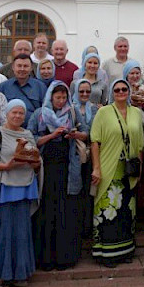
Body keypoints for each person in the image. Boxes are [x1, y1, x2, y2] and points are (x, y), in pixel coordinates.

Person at [0, 100, 43, 287]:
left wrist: (35, 163)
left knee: (21, 233)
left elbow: (36, 159)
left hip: (24, 187)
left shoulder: (28, 134)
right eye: (14, 112)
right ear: (7, 113)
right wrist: (6, 166)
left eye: (21, 113)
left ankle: (19, 273)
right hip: (5, 189)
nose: (17, 116)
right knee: (3, 233)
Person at [90, 78, 144, 267]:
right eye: (117, 90)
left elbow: (139, 144)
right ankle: (106, 253)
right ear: (112, 93)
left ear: (129, 91)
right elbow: (95, 140)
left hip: (128, 170)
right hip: (109, 167)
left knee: (126, 211)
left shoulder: (136, 113)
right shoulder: (103, 112)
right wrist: (96, 167)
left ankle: (125, 251)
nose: (121, 92)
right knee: (107, 209)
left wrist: (140, 168)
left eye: (124, 89)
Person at [31, 82, 85, 270]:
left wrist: (75, 135)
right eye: (57, 97)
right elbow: (31, 140)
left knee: (65, 212)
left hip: (67, 169)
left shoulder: (73, 112)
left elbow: (86, 134)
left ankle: (65, 257)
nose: (61, 101)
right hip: (46, 171)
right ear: (50, 97)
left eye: (64, 97)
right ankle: (45, 258)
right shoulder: (40, 114)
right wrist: (52, 135)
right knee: (46, 212)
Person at [71, 79, 98, 237]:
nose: (85, 94)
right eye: (81, 91)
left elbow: (96, 130)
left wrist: (84, 135)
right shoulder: (70, 108)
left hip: (90, 154)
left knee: (89, 192)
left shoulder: (95, 109)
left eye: (88, 91)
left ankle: (87, 228)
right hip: (74, 155)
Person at [0, 53, 47, 125]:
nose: (22, 69)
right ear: (13, 67)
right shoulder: (3, 87)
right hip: (9, 131)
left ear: (31, 68)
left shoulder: (40, 87)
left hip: (33, 131)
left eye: (25, 66)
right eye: (19, 66)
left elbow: (46, 111)